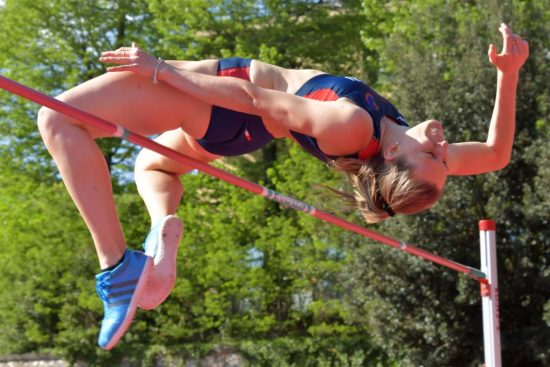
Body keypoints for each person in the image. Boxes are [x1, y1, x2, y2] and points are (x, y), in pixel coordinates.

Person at [36, 23, 528, 349]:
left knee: (57, 120)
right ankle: (160, 239)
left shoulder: (353, 125)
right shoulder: (398, 146)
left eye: (434, 156)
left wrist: (163, 69)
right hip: (231, 129)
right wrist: (508, 76)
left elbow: (252, 96)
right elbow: (495, 154)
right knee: (154, 168)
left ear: (397, 155)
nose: (445, 148)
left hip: (221, 98)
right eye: (444, 158)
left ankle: (117, 270)